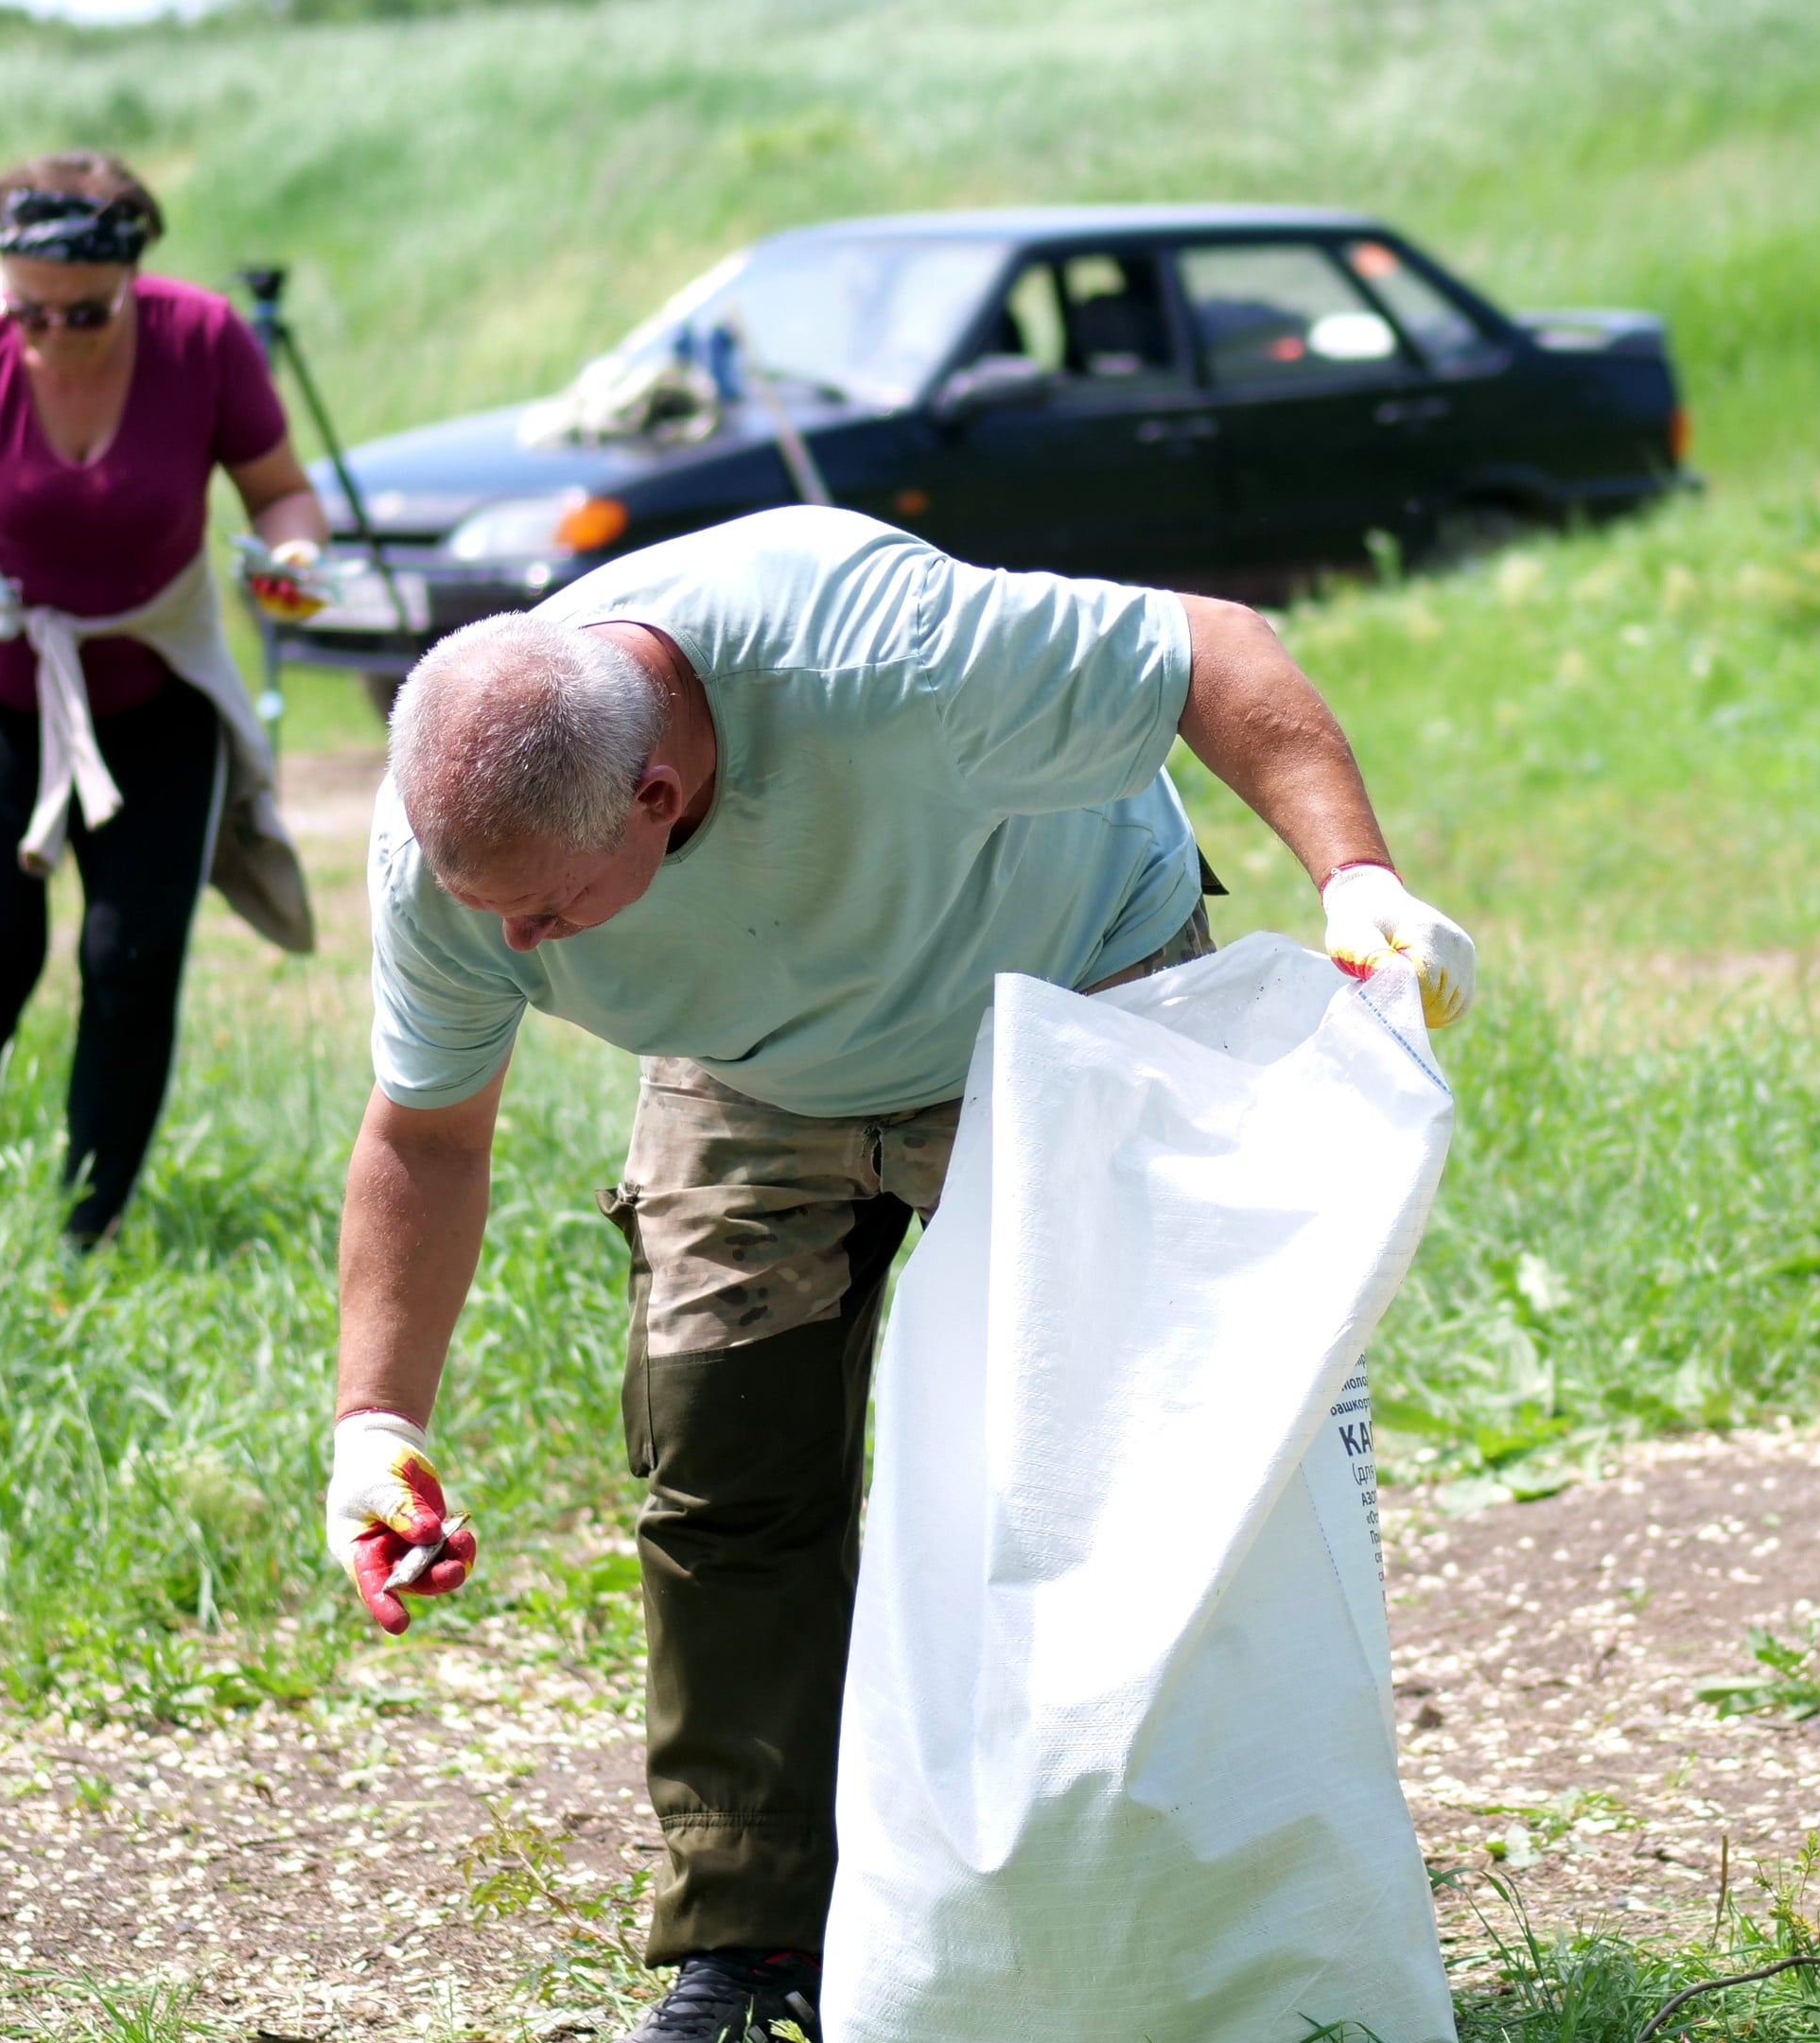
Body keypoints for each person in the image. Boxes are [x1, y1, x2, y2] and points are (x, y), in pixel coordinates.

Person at [316, 504, 1475, 2043]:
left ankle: (1160, 1910)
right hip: (753, 1071)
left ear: (658, 793)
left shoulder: (885, 651)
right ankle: (755, 1945)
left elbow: (1212, 648)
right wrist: (375, 1422)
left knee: (1109, 1481)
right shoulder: (456, 861)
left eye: (544, 911)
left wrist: (1356, 881)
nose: (518, 943)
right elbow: (428, 1139)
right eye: (491, 913)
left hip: (1063, 989)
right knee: (723, 1458)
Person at [0, 150, 324, 1248]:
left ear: (135, 277)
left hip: (157, 686)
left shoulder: (202, 342)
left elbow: (282, 492)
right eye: (25, 309)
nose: (46, 334)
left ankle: (86, 1231)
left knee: (131, 959)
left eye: (81, 313)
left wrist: (292, 558)